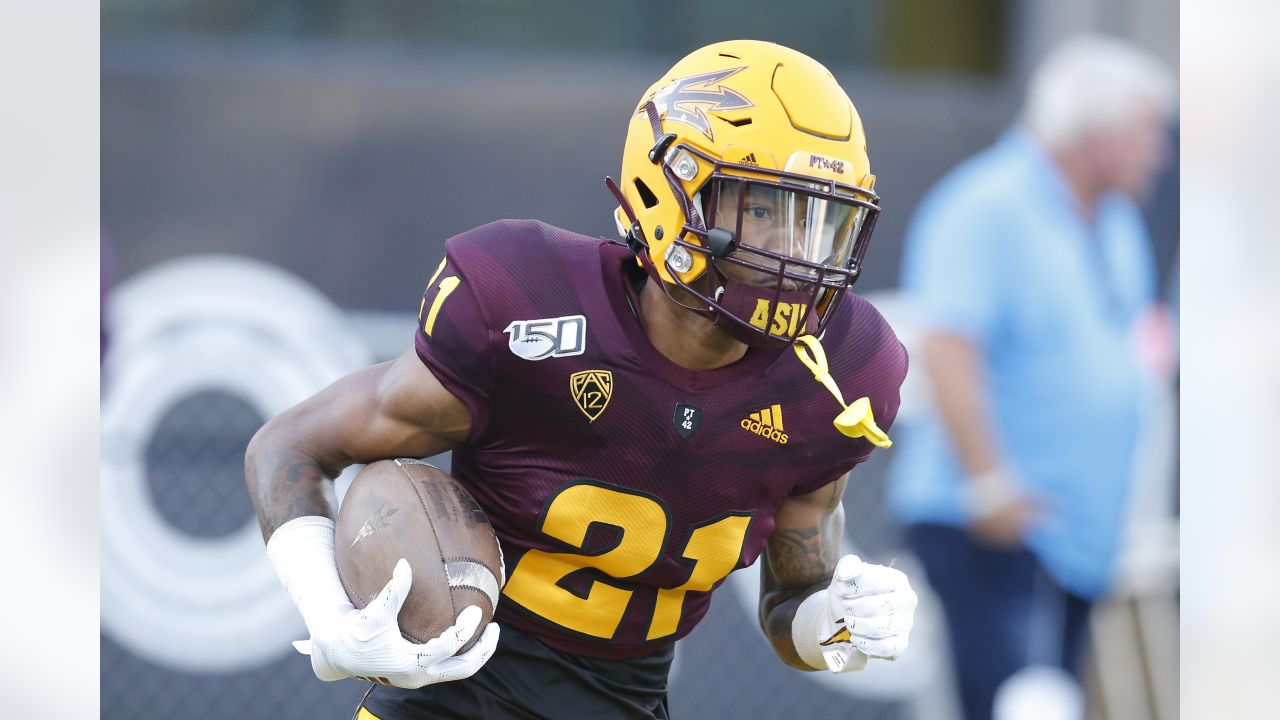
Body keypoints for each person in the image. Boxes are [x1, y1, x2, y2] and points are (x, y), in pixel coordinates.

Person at [246, 40, 916, 720]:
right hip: (451, 698)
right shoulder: (530, 305)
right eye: (765, 210)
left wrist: (842, 623)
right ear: (671, 189)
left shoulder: (842, 371)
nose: (792, 253)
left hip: (627, 703)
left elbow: (790, 605)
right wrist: (327, 612)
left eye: (818, 223)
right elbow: (291, 444)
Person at [885, 35, 1175, 720]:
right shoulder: (986, 206)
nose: (1159, 152)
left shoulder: (1116, 221)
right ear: (1093, 131)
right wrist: (991, 485)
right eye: (1146, 132)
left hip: (1076, 536)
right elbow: (948, 350)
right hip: (993, 524)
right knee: (1021, 708)